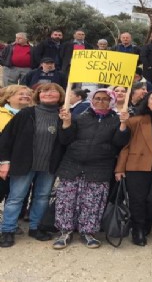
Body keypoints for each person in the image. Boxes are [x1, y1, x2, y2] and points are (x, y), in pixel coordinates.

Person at [52, 89, 129, 249]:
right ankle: (65, 232)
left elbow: (119, 142)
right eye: (97, 98)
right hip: (72, 165)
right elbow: (65, 139)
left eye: (105, 99)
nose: (101, 101)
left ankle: (88, 232)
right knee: (66, 201)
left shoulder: (116, 120)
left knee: (93, 203)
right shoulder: (80, 117)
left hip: (99, 167)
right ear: (91, 100)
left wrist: (123, 125)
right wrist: (66, 123)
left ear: (111, 102)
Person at [0, 83, 66, 248]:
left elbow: (66, 141)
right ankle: (8, 230)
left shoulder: (63, 115)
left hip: (49, 165)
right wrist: (4, 162)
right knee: (16, 198)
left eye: (52, 91)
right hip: (23, 163)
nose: (47, 93)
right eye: (43, 91)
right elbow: (6, 139)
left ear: (60, 95)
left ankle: (36, 227)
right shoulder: (26, 113)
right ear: (38, 95)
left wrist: (67, 123)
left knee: (42, 197)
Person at [115, 89, 152, 246]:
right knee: (137, 200)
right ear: (147, 102)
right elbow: (122, 144)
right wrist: (120, 168)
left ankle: (146, 222)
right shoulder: (136, 120)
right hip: (138, 166)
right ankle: (138, 229)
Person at [0, 85, 32, 205]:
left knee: (18, 198)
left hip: (22, 165)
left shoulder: (34, 115)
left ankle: (12, 222)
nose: (26, 96)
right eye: (21, 94)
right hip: (2, 163)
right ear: (8, 98)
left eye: (28, 94)